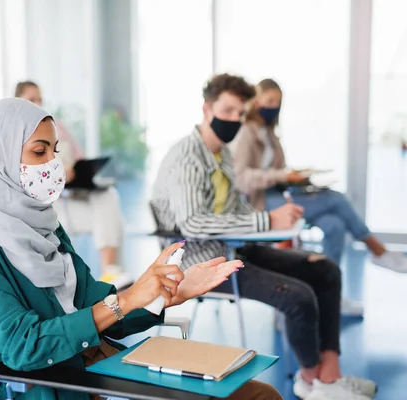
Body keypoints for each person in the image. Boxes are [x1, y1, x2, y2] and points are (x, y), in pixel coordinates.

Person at [0, 98, 281, 400]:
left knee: (259, 394)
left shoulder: (45, 225)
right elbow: (22, 345)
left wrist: (166, 293)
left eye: (54, 151)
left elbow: (99, 307)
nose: (52, 163)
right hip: (55, 386)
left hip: (97, 368)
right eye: (38, 151)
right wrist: (127, 300)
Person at [151, 74, 376, 400]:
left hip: (236, 248)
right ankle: (311, 382)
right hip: (204, 263)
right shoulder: (187, 157)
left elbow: (234, 211)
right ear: (206, 108)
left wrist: (277, 224)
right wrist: (267, 218)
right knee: (298, 297)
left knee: (325, 269)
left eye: (240, 113)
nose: (234, 120)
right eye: (227, 110)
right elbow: (194, 225)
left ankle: (330, 377)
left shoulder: (223, 153)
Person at [231, 78, 407, 314]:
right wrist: (280, 174)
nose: (274, 106)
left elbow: (279, 171)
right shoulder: (245, 133)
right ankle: (378, 251)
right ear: (256, 101)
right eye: (269, 100)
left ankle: (328, 294)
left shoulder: (270, 133)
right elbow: (241, 177)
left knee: (334, 225)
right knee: (336, 198)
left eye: (278, 102)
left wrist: (297, 178)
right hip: (261, 203)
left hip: (281, 195)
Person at [15, 81, 131, 288]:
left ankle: (110, 271)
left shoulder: (56, 126)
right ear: (18, 102)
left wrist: (79, 172)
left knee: (109, 197)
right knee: (113, 220)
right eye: (32, 99)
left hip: (71, 197)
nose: (38, 103)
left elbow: (79, 159)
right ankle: (110, 275)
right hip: (48, 207)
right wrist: (56, 175)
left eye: (40, 98)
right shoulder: (17, 136)